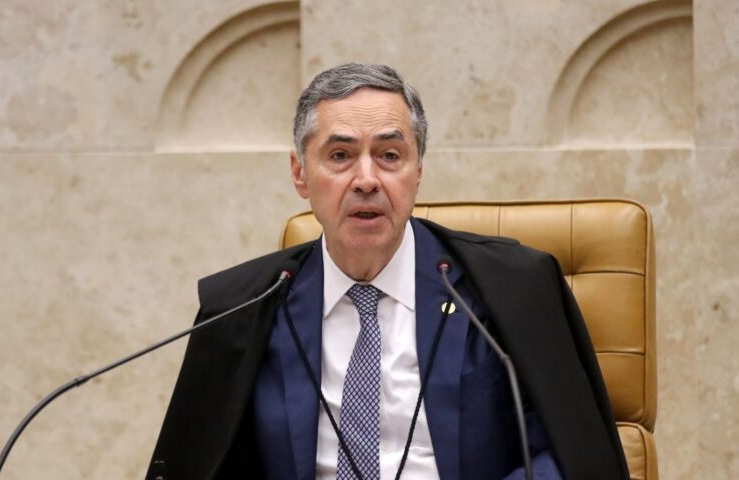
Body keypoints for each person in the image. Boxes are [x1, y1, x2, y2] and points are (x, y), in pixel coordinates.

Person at [147, 64, 629, 480]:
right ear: (299, 174)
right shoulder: (246, 308)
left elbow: (567, 455)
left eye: (389, 155)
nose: (366, 180)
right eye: (339, 156)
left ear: (417, 170)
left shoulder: (511, 290)